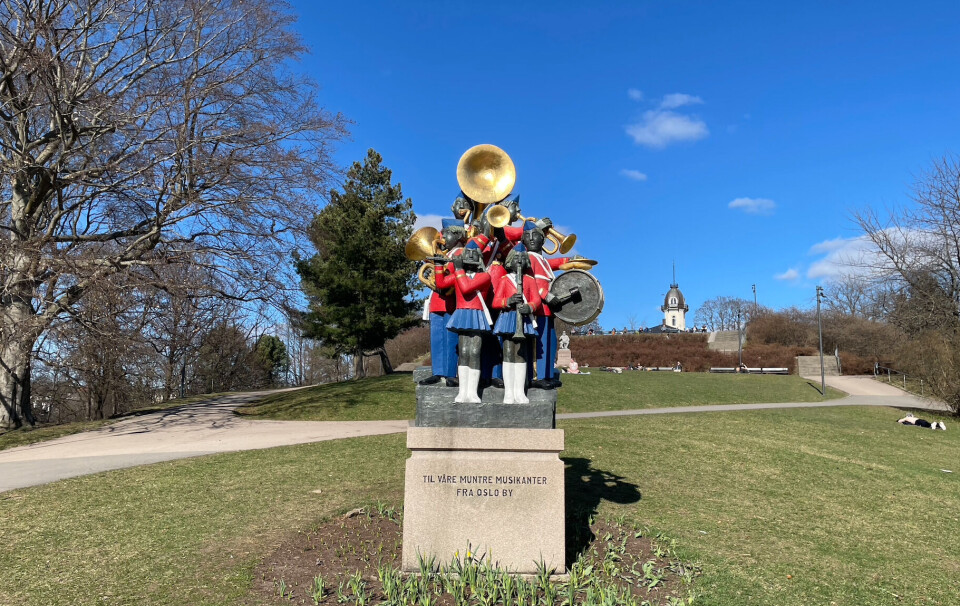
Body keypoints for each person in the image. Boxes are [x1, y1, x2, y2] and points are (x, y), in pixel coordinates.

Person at [489, 245, 541, 403]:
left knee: (520, 354)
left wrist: (529, 306)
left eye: (521, 259)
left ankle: (519, 391)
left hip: (523, 320)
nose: (518, 262)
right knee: (508, 353)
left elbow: (536, 300)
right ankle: (509, 392)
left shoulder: (529, 280)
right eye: (515, 258)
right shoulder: (504, 280)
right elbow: (496, 302)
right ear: (510, 261)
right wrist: (508, 301)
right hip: (508, 318)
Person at [446, 240, 492, 403]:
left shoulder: (484, 276)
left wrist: (458, 269)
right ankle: (462, 391)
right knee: (464, 352)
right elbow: (441, 284)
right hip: (462, 313)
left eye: (475, 254)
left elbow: (466, 287)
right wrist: (438, 266)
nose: (471, 256)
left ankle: (472, 392)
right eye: (468, 254)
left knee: (474, 352)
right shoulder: (460, 275)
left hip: (476, 314)